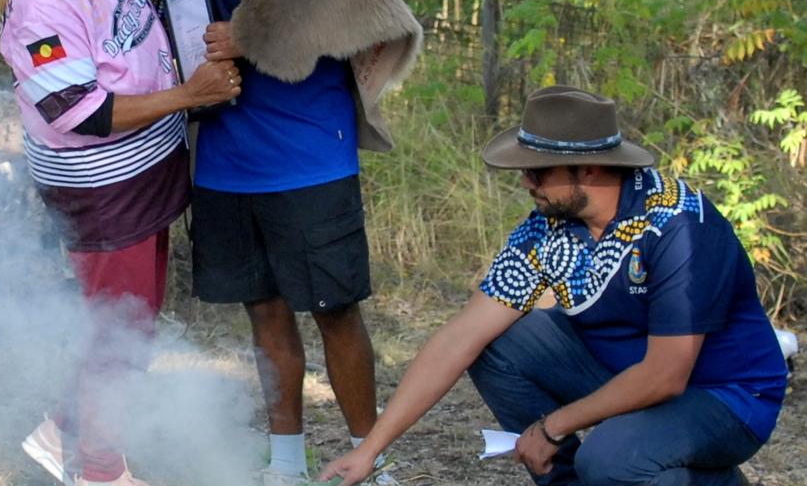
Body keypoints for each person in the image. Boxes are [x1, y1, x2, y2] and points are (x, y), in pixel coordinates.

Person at [140, 0, 422, 486]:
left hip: (305, 155)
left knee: (334, 313)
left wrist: (247, 36)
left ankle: (371, 461)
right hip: (223, 163)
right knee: (262, 315)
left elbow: (353, 9)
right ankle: (287, 462)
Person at [319, 86, 789, 486]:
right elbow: (459, 338)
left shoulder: (678, 226)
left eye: (537, 171)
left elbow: (665, 377)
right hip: (625, 376)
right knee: (500, 343)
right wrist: (373, 447)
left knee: (609, 459)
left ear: (588, 169)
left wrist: (552, 426)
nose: (525, 182)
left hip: (724, 396)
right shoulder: (548, 227)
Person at [0, 0, 240, 486]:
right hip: (101, 191)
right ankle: (100, 471)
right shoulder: (38, 4)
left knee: (131, 320)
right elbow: (85, 112)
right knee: (121, 332)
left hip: (145, 173)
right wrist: (191, 95)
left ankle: (60, 431)